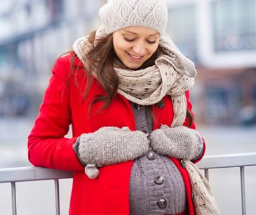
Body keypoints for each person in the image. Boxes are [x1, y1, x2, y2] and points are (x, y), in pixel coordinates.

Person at [28, 0, 206, 215]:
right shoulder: (74, 69)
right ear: (112, 30)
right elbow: (38, 146)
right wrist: (88, 149)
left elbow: (192, 140)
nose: (139, 49)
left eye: (151, 40)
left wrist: (191, 144)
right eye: (129, 38)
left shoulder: (172, 72)